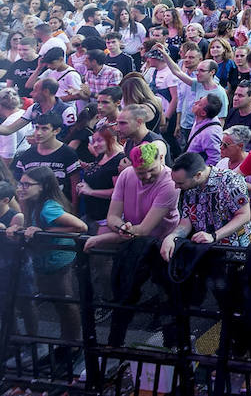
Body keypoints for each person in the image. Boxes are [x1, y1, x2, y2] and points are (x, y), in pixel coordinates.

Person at [6, 165, 86, 371]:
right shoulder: (31, 203)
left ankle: (73, 348)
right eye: (20, 183)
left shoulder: (48, 207)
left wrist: (45, 231)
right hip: (46, 262)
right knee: (61, 305)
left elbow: (80, 227)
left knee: (66, 305)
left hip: (57, 262)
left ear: (42, 187)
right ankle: (65, 345)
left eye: (27, 184)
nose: (21, 188)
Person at [160, 151, 251, 260]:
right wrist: (172, 237)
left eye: (180, 183)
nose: (176, 187)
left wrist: (213, 236)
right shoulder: (190, 188)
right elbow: (187, 221)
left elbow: (244, 215)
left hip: (236, 252)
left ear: (198, 175)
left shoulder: (230, 180)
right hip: (207, 253)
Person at [87, 141, 179, 248]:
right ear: (132, 166)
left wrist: (111, 235)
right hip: (133, 238)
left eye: (152, 169)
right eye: (141, 172)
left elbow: (144, 230)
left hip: (160, 244)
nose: (148, 176)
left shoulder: (170, 183)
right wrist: (123, 227)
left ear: (161, 158)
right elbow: (112, 217)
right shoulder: (126, 175)